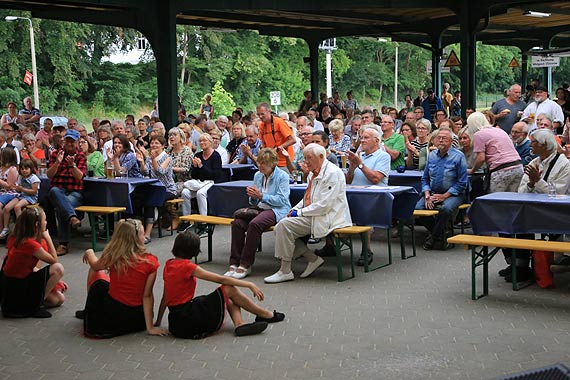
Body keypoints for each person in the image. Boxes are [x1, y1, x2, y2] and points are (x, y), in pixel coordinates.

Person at [154, 231, 285, 338]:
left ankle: (240, 324)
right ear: (194, 251)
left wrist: (158, 321)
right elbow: (222, 280)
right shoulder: (188, 267)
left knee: (221, 296)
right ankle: (265, 314)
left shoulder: (169, 265)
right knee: (228, 289)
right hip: (190, 320)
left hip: (176, 323)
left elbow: (165, 297)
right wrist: (248, 284)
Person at [264, 144, 352, 283]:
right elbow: (308, 197)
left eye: (309, 158)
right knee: (280, 227)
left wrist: (299, 213)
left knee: (283, 226)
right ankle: (312, 259)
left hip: (330, 217)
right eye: (305, 158)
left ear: (321, 157)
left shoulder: (333, 173)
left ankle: (285, 271)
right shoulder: (313, 172)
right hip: (315, 214)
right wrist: (294, 209)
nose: (306, 161)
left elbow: (324, 205)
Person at [79, 218, 168, 338]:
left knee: (98, 282)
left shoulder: (114, 255)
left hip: (113, 314)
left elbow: (95, 266)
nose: (145, 237)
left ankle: (89, 311)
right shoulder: (151, 262)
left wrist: (90, 252)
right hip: (137, 318)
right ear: (136, 239)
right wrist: (150, 327)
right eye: (143, 234)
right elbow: (147, 296)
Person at [511, 130, 570, 282]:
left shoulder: (564, 164)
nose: (530, 145)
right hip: (535, 211)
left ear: (545, 145)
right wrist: (531, 183)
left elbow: (558, 193)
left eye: (534, 142)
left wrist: (538, 181)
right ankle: (520, 266)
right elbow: (521, 192)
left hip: (559, 213)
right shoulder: (534, 163)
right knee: (511, 224)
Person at [227, 149, 291, 279]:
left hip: (277, 210)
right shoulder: (258, 175)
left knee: (255, 224)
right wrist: (253, 196)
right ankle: (234, 262)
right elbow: (254, 201)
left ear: (272, 164)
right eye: (259, 162)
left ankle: (245, 264)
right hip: (260, 209)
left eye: (264, 163)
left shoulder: (282, 176)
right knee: (237, 223)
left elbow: (282, 200)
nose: (260, 166)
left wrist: (262, 196)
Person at [1, 207, 64, 318]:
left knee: (58, 299)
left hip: (11, 286)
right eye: (44, 220)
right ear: (36, 225)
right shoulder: (30, 244)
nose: (46, 222)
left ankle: (31, 302)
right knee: (58, 268)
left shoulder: (16, 237)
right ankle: (36, 306)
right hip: (18, 286)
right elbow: (54, 260)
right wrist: (48, 237)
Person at [415, 128, 467, 250]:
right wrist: (427, 194)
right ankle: (441, 234)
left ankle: (434, 236)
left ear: (451, 141)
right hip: (433, 193)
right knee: (418, 209)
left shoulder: (458, 156)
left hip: (454, 194)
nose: (441, 140)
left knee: (446, 209)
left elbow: (462, 182)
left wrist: (444, 196)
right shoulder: (432, 156)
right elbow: (425, 178)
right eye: (439, 138)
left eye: (445, 138)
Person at [46, 129, 87, 255]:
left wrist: (72, 165)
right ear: (63, 142)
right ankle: (72, 217)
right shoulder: (56, 154)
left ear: (77, 143)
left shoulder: (80, 156)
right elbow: (49, 175)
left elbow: (79, 177)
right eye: (67, 141)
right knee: (54, 191)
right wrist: (57, 163)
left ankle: (63, 244)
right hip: (58, 190)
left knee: (61, 207)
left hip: (74, 191)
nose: (69, 144)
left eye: (72, 142)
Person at [136, 135, 177, 244]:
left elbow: (160, 172)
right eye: (152, 143)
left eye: (157, 143)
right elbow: (145, 173)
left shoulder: (168, 158)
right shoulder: (149, 158)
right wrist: (142, 162)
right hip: (153, 188)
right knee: (136, 198)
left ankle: (147, 234)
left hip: (167, 189)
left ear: (163, 146)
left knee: (151, 202)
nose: (153, 145)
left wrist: (153, 159)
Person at [183, 134, 222, 216]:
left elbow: (215, 175)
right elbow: (194, 175)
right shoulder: (198, 155)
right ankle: (186, 218)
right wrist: (195, 166)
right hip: (199, 182)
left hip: (212, 182)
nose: (202, 142)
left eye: (204, 140)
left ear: (210, 142)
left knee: (200, 193)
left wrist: (201, 166)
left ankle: (203, 220)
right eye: (200, 141)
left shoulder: (216, 156)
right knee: (185, 192)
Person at [1, 159, 40, 238]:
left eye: (26, 169)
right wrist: (16, 188)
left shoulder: (34, 178)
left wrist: (22, 189)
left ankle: (21, 226)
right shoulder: (20, 177)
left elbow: (34, 191)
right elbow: (18, 188)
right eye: (22, 169)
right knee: (7, 208)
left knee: (17, 207)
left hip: (31, 197)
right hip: (22, 195)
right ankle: (5, 228)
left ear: (31, 169)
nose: (24, 171)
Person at [166, 127, 193, 229]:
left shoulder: (187, 151)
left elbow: (186, 169)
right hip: (169, 180)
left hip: (184, 181)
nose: (171, 137)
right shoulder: (169, 150)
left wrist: (170, 168)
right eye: (170, 135)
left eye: (174, 135)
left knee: (169, 191)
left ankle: (175, 217)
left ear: (181, 137)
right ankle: (164, 217)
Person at [256, 103, 295, 171]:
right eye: (258, 114)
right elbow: (263, 144)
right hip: (270, 163)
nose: (260, 116)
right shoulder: (261, 126)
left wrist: (278, 148)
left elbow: (292, 140)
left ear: (269, 111)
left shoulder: (279, 122)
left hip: (284, 162)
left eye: (262, 114)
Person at [0, 148, 21, 238]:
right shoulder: (1, 168)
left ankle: (4, 228)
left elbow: (9, 186)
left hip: (10, 193)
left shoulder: (12, 169)